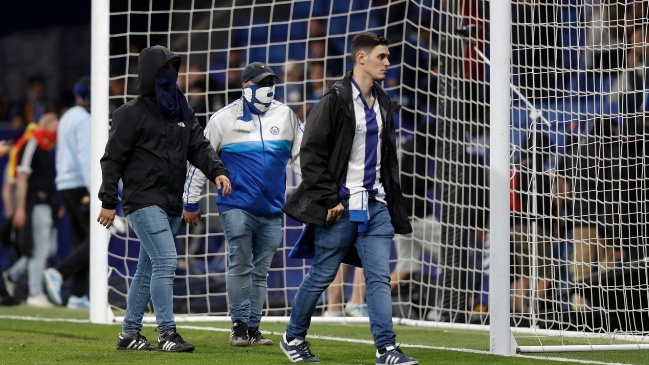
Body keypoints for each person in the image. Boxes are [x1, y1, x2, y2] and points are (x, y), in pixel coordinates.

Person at [281, 32, 418, 364]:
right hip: (340, 206)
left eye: (387, 57)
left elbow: (386, 159)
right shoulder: (334, 99)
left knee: (378, 278)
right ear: (361, 58)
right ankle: (293, 337)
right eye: (382, 57)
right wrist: (329, 199)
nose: (387, 62)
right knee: (323, 274)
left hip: (377, 206)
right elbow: (309, 153)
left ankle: (386, 348)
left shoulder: (385, 103)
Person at [97, 45, 232, 353]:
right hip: (142, 201)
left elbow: (199, 146)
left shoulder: (181, 109)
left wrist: (218, 172)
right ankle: (167, 333)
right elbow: (112, 159)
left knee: (148, 267)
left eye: (173, 69)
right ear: (150, 76)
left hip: (171, 200)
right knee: (167, 261)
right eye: (164, 71)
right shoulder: (129, 114)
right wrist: (108, 200)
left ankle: (129, 334)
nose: (170, 76)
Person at [182, 61, 303, 347]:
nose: (267, 89)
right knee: (240, 263)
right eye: (261, 84)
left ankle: (252, 327)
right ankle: (238, 325)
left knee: (260, 270)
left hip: (273, 208)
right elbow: (201, 161)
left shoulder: (287, 116)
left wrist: (316, 194)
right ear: (245, 87)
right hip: (236, 204)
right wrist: (190, 200)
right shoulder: (222, 119)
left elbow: (302, 159)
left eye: (270, 83)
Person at [42, 76, 92, 309]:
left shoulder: (67, 117)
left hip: (65, 184)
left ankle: (78, 295)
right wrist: (97, 191)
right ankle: (58, 273)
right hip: (81, 184)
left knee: (81, 239)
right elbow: (86, 157)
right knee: (97, 239)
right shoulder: (83, 119)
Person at [5, 112, 60, 308]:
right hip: (34, 204)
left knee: (48, 248)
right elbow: (22, 176)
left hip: (47, 204)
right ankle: (35, 293)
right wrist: (20, 208)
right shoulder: (32, 143)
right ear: (48, 127)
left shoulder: (46, 147)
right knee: (40, 250)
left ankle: (12, 275)